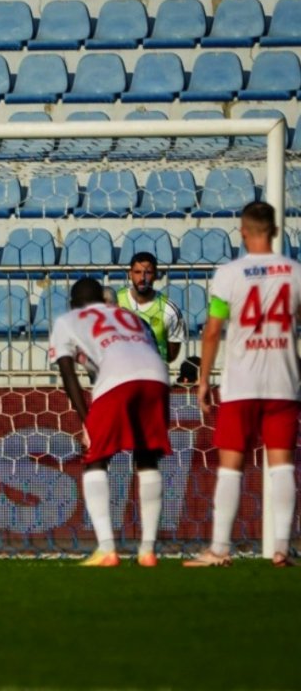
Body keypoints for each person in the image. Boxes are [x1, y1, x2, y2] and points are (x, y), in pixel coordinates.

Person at [187, 201, 301, 568]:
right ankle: (282, 547)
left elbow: (214, 329)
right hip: (283, 381)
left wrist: (204, 379)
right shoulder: (295, 272)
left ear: (244, 232)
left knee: (231, 464)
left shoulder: (229, 274)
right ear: (275, 231)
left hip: (241, 383)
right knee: (282, 464)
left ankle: (220, 549)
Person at [51, 277, 172, 567]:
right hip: (156, 376)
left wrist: (87, 420)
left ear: (73, 303)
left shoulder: (68, 320)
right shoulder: (128, 315)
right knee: (146, 457)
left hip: (117, 378)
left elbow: (68, 374)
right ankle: (148, 551)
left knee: (96, 459)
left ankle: (107, 549)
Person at [115, 251, 187, 365]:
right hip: (122, 374)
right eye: (137, 272)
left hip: (154, 375)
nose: (142, 278)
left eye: (147, 272)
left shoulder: (169, 309)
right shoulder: (115, 303)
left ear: (156, 275)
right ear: (130, 274)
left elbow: (171, 356)